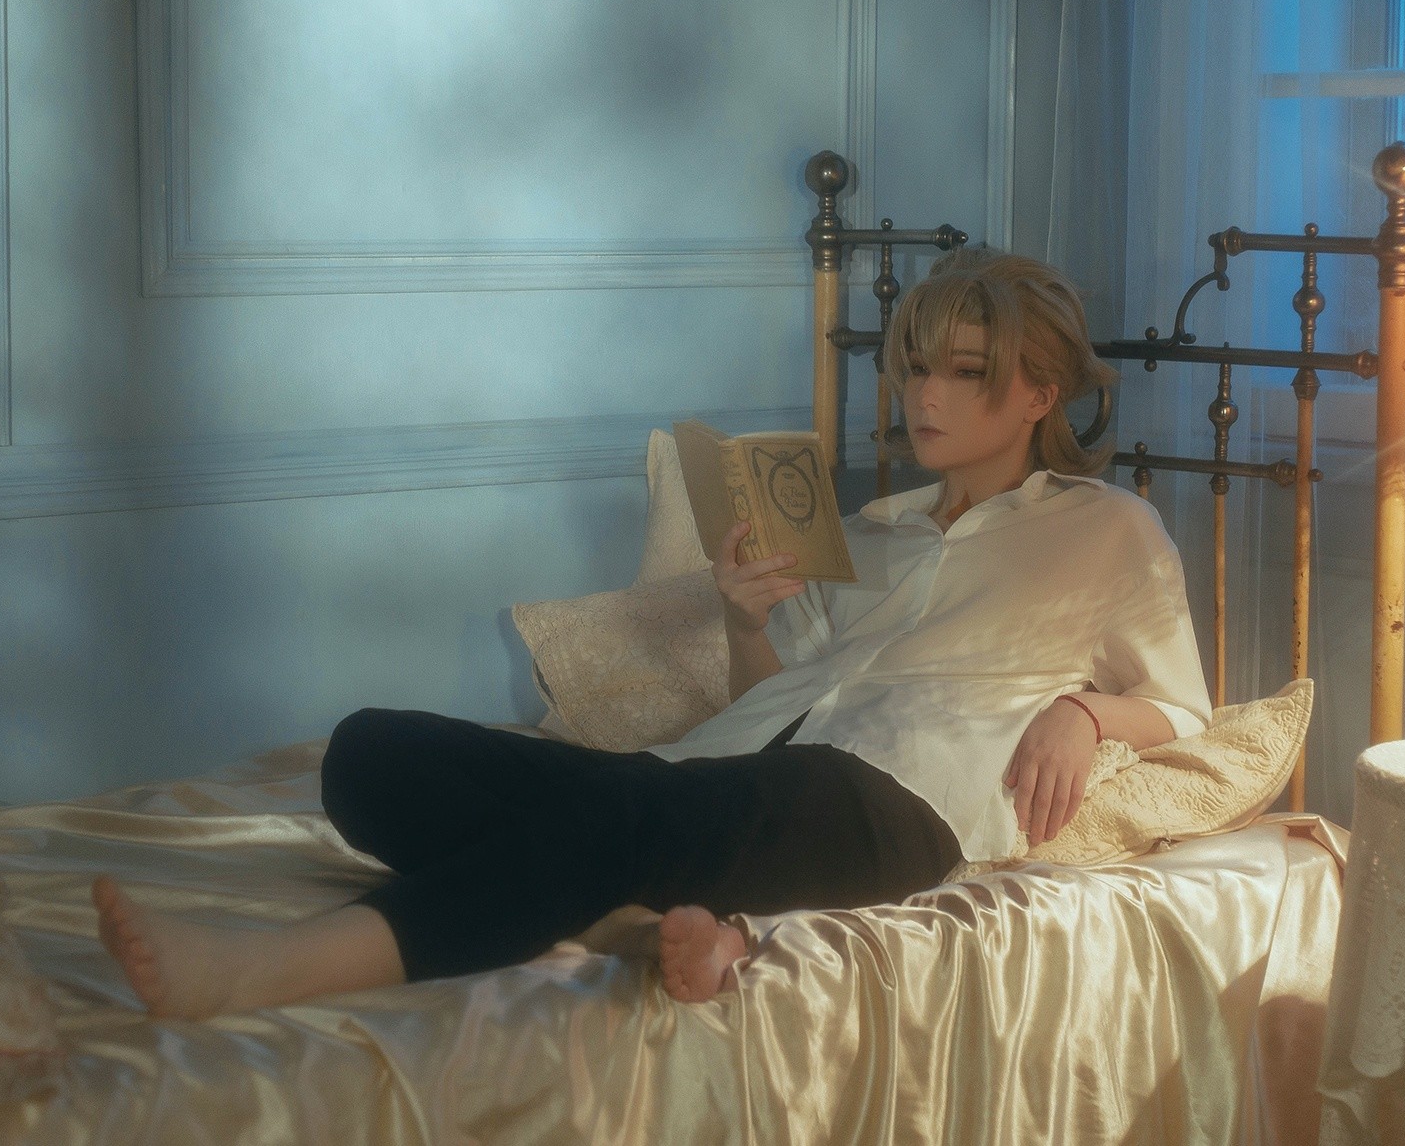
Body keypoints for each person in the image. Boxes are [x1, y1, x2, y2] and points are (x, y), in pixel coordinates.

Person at [93, 252, 1210, 1019]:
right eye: (917, 367)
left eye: (966, 373)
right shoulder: (877, 530)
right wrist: (742, 615)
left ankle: (270, 971)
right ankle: (645, 919)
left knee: (615, 816)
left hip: (899, 799)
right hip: (738, 763)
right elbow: (770, 697)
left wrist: (1084, 712)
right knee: (372, 753)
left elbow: (1187, 711)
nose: (927, 395)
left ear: (1039, 394)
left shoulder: (1108, 528)